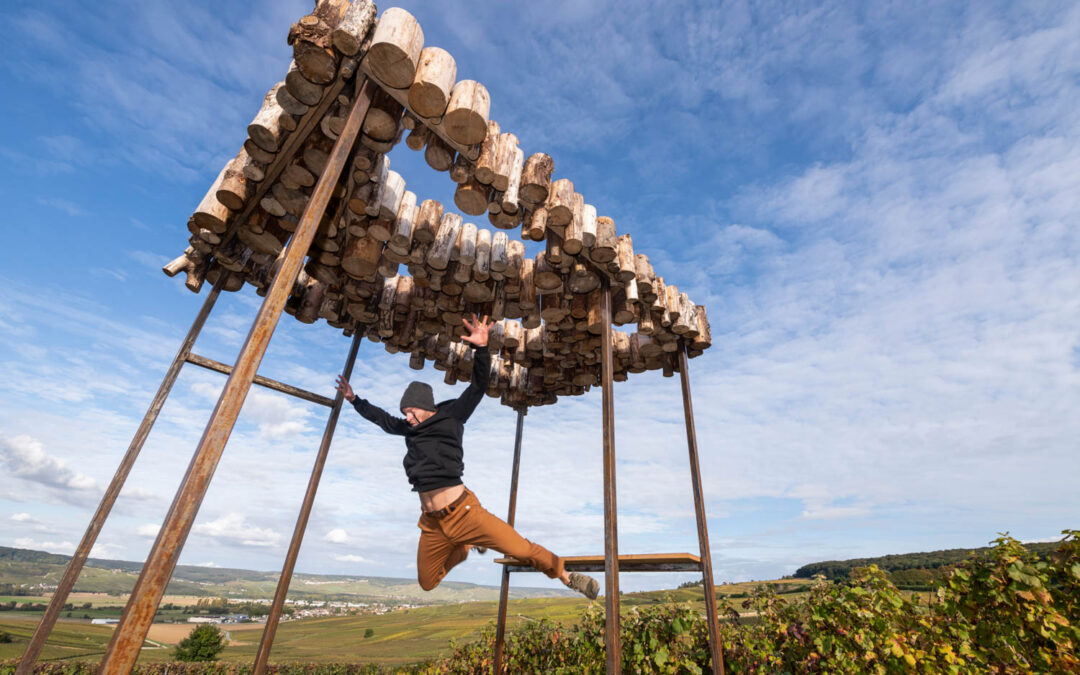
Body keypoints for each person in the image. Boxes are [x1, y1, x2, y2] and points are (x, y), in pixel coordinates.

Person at [335, 314, 600, 599]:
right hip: (432, 522)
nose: (408, 418)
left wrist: (482, 349)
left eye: (411, 411)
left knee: (521, 549)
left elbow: (477, 387)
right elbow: (382, 420)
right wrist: (354, 399)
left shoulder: (451, 416)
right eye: (405, 414)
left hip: (465, 514)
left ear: (426, 407)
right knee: (427, 582)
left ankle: (566, 575)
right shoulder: (409, 429)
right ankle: (461, 550)